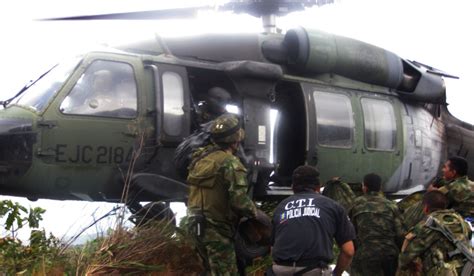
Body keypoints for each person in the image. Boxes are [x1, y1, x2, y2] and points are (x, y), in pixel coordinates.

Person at [185, 113, 258, 275]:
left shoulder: (200, 158)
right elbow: (240, 202)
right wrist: (256, 213)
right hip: (217, 230)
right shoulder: (229, 162)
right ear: (236, 140)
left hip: (195, 226)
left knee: (207, 271)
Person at [271, 165, 355, 276]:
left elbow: (273, 248)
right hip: (314, 271)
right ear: (318, 186)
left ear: (293, 187)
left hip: (279, 270)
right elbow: (348, 251)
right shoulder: (333, 206)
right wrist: (336, 274)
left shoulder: (281, 207)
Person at [398, 190, 472, 275]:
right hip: (464, 269)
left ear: (425, 208)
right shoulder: (460, 220)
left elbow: (406, 257)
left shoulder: (426, 225)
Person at [349, 173, 406, 276]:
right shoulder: (391, 206)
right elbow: (400, 234)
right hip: (389, 254)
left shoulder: (356, 204)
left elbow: (352, 232)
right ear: (380, 187)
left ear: (364, 188)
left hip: (366, 254)